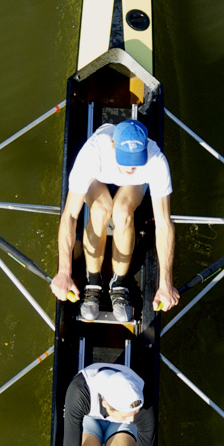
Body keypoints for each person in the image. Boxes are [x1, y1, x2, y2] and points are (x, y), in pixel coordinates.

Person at [50, 119, 181, 323]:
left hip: (133, 186)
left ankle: (119, 283)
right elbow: (70, 216)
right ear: (112, 144)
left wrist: (166, 283)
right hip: (98, 178)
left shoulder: (155, 160)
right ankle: (93, 281)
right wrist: (64, 272)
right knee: (101, 211)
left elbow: (164, 224)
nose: (131, 167)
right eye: (126, 159)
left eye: (136, 160)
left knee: (122, 213)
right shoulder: (93, 153)